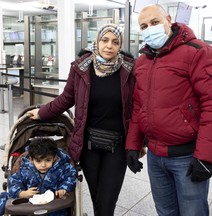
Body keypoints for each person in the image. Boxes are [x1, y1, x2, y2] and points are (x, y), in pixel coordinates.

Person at [125, 4, 212, 216]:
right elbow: (138, 106)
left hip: (187, 157)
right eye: (144, 26)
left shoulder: (198, 52)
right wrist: (133, 145)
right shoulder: (142, 62)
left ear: (169, 19)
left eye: (155, 22)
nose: (150, 29)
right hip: (155, 156)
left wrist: (205, 157)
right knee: (165, 212)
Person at [27, 23, 137, 216]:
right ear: (97, 41)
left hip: (118, 146)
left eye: (115, 42)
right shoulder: (81, 68)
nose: (109, 46)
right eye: (105, 40)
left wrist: (139, 143)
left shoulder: (129, 70)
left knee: (107, 199)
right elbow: (66, 99)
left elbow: (137, 109)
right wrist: (42, 112)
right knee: (97, 198)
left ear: (120, 46)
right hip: (88, 145)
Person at [0, 138, 77, 216]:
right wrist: (22, 193)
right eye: (39, 161)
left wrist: (63, 188)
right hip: (29, 208)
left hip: (54, 207)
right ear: (31, 160)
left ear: (54, 158)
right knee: (5, 197)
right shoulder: (25, 170)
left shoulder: (62, 168)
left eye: (48, 160)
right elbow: (13, 182)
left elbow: (70, 176)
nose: (43, 165)